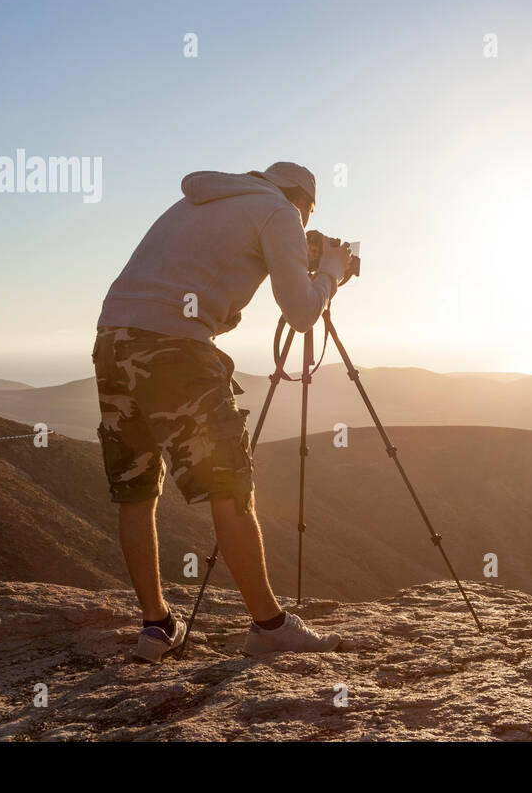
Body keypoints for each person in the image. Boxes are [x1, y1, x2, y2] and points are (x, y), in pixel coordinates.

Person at [92, 161, 354, 662]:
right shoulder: (279, 213)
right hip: (173, 349)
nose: (304, 224)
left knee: (136, 486)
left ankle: (155, 627)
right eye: (309, 213)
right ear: (301, 200)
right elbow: (301, 314)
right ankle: (270, 626)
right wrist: (329, 275)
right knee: (229, 482)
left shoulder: (204, 198)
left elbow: (200, 289)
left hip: (113, 340)